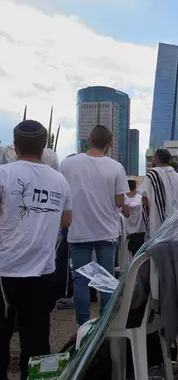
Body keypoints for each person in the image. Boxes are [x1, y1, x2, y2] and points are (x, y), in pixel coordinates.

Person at [0, 120, 72, 380]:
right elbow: (66, 220)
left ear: (15, 145)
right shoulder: (59, 180)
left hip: (5, 270)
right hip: (42, 270)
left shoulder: (4, 174)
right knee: (37, 335)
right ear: (45, 146)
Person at [60, 125, 129, 326]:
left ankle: (83, 325)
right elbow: (119, 202)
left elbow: (62, 193)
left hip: (78, 229)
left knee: (81, 279)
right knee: (105, 279)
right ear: (109, 144)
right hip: (106, 231)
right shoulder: (116, 167)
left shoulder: (68, 164)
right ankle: (105, 324)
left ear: (88, 141)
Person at [140, 149, 178, 251]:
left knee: (159, 258)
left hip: (159, 225)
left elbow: (145, 201)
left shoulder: (153, 175)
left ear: (157, 159)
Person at [124, 179, 147, 258]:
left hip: (126, 233)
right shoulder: (140, 199)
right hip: (141, 231)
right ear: (135, 187)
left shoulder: (123, 200)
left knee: (124, 256)